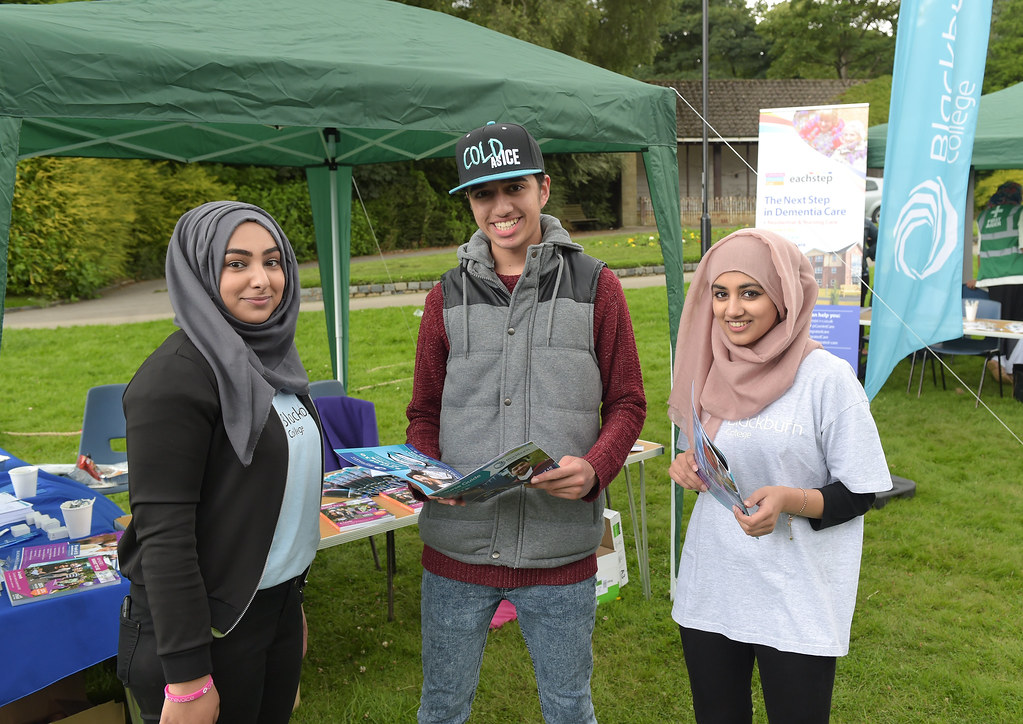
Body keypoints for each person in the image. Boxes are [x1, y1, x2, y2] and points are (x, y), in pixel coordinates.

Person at [406, 121, 646, 723]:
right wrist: (430, 475)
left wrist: (594, 469)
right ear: (470, 202)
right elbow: (423, 412)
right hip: (456, 549)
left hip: (558, 550)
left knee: (569, 707)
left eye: (514, 187)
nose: (500, 207)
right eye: (483, 194)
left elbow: (627, 403)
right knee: (441, 708)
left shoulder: (599, 287)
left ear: (543, 187)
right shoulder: (445, 296)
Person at [667, 228, 892, 723]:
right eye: (720, 294)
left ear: (785, 296)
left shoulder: (826, 379)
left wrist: (792, 500)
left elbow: (863, 490)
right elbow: (702, 452)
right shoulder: (708, 367)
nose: (732, 310)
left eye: (750, 292)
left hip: (797, 592)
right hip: (714, 583)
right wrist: (688, 465)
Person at [116, 201, 323, 723]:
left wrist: (288, 602)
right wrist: (187, 679)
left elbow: (264, 507)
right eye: (237, 263)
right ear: (201, 270)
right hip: (202, 636)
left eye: (273, 261)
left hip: (267, 610)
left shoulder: (272, 359)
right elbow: (164, 535)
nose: (261, 279)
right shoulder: (174, 379)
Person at [970, 181, 1023, 383]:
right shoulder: (1019, 212)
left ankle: (999, 359)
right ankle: (1010, 367)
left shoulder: (984, 217)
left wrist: (981, 276)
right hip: (1017, 277)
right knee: (1018, 324)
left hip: (992, 278)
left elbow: (981, 253)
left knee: (1002, 324)